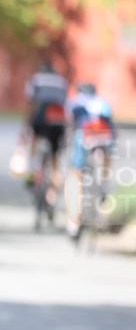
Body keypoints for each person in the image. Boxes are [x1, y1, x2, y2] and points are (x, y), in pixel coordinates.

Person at [64, 83, 117, 238]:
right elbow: (110, 124)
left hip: (84, 134)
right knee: (106, 155)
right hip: (104, 134)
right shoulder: (102, 102)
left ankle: (74, 220)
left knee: (75, 175)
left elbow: (70, 124)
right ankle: (103, 185)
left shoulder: (75, 101)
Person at [23, 61, 68, 199]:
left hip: (41, 115)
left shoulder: (36, 79)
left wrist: (27, 124)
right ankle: (53, 191)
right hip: (58, 118)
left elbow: (30, 102)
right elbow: (65, 102)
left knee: (35, 141)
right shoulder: (62, 81)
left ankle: (31, 175)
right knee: (55, 156)